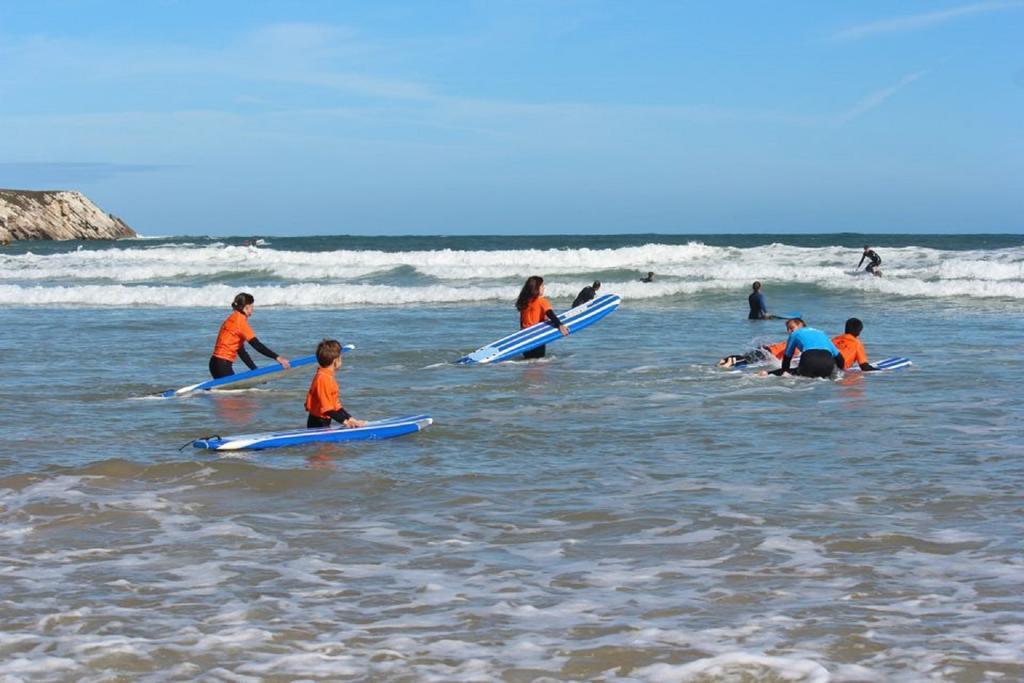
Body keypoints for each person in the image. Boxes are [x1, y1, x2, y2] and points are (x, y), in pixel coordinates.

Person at [209, 292, 290, 379]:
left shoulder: (233, 318)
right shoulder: (240, 322)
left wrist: (255, 370)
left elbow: (241, 351)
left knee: (225, 392)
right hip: (222, 364)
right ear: (246, 307)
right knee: (233, 392)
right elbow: (257, 345)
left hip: (215, 363)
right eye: (252, 306)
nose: (253, 309)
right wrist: (277, 358)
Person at [305, 339, 366, 429]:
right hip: (317, 422)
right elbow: (327, 409)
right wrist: (346, 422)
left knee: (327, 443)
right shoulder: (323, 379)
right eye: (340, 357)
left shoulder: (327, 376)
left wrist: (352, 419)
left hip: (323, 420)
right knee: (323, 444)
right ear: (335, 361)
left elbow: (336, 407)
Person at [765, 318, 843, 378]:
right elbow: (840, 358)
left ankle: (764, 374)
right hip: (828, 365)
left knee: (792, 373)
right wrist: (840, 372)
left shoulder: (795, 334)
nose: (789, 331)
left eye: (791, 328)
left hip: (809, 362)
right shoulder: (822, 333)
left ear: (800, 325)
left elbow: (787, 359)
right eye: (787, 329)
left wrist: (783, 373)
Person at [516, 275, 569, 359]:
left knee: (527, 362)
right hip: (537, 336)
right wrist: (560, 325)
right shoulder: (541, 300)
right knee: (538, 364)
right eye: (542, 286)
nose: (544, 288)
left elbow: (522, 321)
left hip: (525, 337)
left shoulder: (524, 301)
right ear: (536, 288)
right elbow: (550, 313)